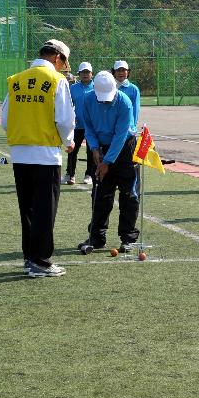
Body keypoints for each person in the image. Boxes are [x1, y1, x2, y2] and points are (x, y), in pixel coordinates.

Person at [0, 39, 75, 278]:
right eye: (65, 61)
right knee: (45, 210)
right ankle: (41, 262)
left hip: (20, 153)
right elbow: (64, 120)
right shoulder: (57, 81)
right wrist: (69, 141)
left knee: (28, 209)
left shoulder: (17, 80)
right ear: (57, 58)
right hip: (46, 154)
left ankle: (29, 258)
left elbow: (4, 119)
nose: (65, 67)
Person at [79, 71, 140, 254]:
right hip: (101, 147)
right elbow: (88, 127)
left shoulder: (124, 102)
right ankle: (96, 238)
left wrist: (106, 161)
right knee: (100, 194)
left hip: (124, 149)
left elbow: (121, 136)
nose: (105, 100)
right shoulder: (88, 100)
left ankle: (128, 238)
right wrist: (95, 149)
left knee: (128, 194)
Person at [64, 61, 96, 186]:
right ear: (79, 74)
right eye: (83, 72)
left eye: (87, 72)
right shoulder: (73, 88)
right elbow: (69, 105)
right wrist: (72, 117)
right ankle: (70, 174)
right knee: (72, 149)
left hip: (91, 126)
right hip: (76, 126)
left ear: (92, 74)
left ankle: (89, 174)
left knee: (91, 150)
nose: (85, 74)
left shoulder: (96, 87)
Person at [112, 60, 140, 126]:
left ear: (128, 72)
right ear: (114, 72)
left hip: (127, 127)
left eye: (123, 70)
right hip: (112, 127)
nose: (121, 73)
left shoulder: (134, 89)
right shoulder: (109, 87)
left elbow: (135, 110)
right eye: (118, 70)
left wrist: (132, 126)